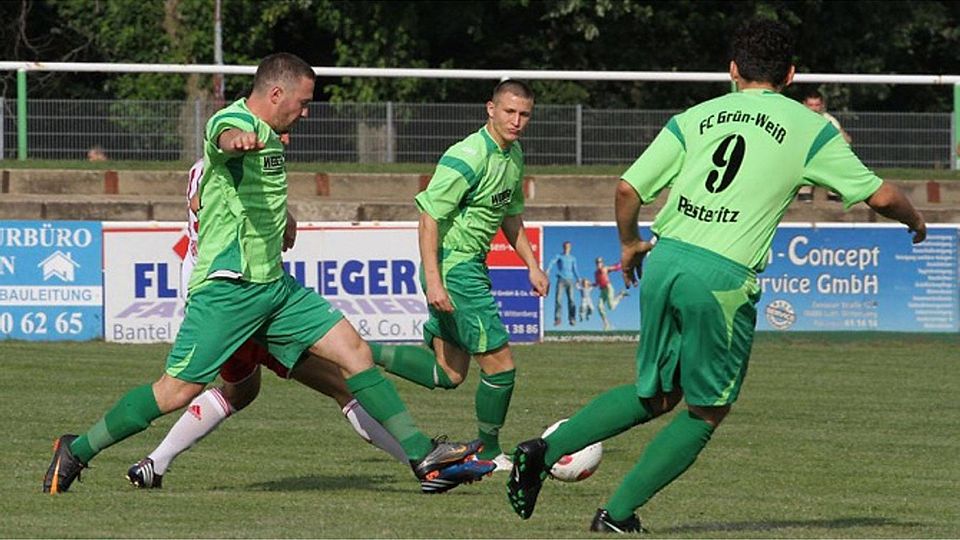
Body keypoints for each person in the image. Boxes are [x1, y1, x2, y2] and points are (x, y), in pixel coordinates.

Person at [507, 18, 926, 533]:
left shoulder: (696, 117)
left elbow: (626, 190)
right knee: (706, 412)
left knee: (655, 394)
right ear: (791, 76)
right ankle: (615, 516)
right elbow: (880, 195)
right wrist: (916, 220)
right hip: (721, 277)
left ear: (732, 70)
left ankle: (541, 449)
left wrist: (629, 245)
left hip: (664, 257)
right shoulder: (809, 128)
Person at [43, 52, 491, 496]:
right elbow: (221, 135)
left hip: (275, 289)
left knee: (354, 351)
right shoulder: (233, 123)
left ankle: (423, 456)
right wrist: (235, 139)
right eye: (303, 100)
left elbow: (258, 192)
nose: (306, 110)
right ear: (276, 93)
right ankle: (77, 449)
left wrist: (285, 218)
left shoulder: (274, 137)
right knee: (176, 391)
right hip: (228, 291)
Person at [125, 148, 438, 490]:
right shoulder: (232, 169)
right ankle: (425, 462)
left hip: (224, 301)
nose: (283, 137)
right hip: (241, 301)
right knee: (344, 382)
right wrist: (283, 217)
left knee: (240, 391)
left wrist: (281, 215)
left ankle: (154, 463)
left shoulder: (208, 166)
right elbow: (218, 205)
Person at [373, 79, 549, 473]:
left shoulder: (513, 154)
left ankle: (358, 352)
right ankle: (488, 450)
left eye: (524, 115)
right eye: (509, 112)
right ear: (491, 109)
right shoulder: (468, 155)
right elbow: (428, 217)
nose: (517, 121)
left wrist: (532, 265)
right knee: (501, 365)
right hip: (455, 269)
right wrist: (435, 281)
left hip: (467, 267)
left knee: (449, 373)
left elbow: (510, 215)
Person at [797, 89, 851, 202]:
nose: (814, 108)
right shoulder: (797, 119)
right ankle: (804, 191)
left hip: (825, 156)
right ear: (804, 104)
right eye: (810, 105)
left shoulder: (828, 120)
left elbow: (846, 140)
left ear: (822, 105)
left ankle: (833, 192)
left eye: (817, 105)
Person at [546, 241, 581, 326]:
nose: (567, 248)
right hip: (561, 280)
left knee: (571, 300)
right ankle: (557, 319)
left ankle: (572, 318)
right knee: (558, 300)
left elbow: (575, 269)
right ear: (563, 247)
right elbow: (552, 262)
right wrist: (548, 270)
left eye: (568, 246)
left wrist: (579, 278)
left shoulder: (573, 258)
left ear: (570, 248)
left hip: (570, 280)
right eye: (565, 246)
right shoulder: (559, 256)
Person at [593, 256, 628, 331]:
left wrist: (622, 262)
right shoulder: (596, 273)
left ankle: (621, 295)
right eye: (597, 262)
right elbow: (597, 283)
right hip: (602, 290)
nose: (598, 263)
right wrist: (590, 285)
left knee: (611, 307)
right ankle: (606, 324)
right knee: (599, 307)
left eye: (600, 262)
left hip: (609, 288)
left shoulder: (605, 268)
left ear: (602, 263)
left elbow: (616, 267)